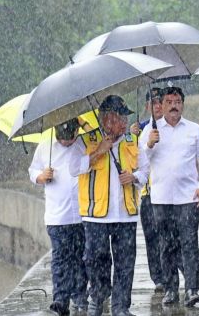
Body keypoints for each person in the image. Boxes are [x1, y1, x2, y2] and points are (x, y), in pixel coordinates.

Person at [69, 95, 148, 316]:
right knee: (96, 259)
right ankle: (98, 296)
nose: (123, 123)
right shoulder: (85, 140)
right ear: (105, 120)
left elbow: (145, 171)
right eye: (118, 118)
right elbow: (74, 168)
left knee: (125, 262)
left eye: (124, 117)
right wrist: (99, 152)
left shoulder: (133, 140)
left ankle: (121, 306)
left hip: (126, 214)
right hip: (96, 215)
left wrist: (133, 177)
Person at [139, 86, 199, 307]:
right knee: (166, 245)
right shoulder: (151, 131)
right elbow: (141, 163)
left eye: (177, 101)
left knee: (190, 244)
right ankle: (171, 289)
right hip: (161, 199)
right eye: (169, 101)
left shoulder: (193, 130)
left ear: (182, 104)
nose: (173, 105)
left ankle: (192, 289)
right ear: (160, 105)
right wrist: (149, 144)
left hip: (188, 198)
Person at [29, 118, 88, 316]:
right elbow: (32, 171)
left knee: (81, 256)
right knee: (61, 258)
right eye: (63, 138)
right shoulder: (45, 148)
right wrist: (41, 176)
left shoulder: (84, 143)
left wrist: (84, 123)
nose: (67, 142)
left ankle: (80, 295)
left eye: (70, 137)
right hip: (57, 215)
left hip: (82, 213)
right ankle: (60, 299)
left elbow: (101, 143)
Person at [130, 87, 168, 292]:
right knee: (152, 239)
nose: (158, 106)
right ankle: (159, 278)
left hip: (170, 193)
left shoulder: (171, 126)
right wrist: (146, 143)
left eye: (160, 102)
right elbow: (135, 160)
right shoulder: (142, 131)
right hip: (149, 193)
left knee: (170, 238)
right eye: (153, 103)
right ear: (147, 106)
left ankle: (173, 273)